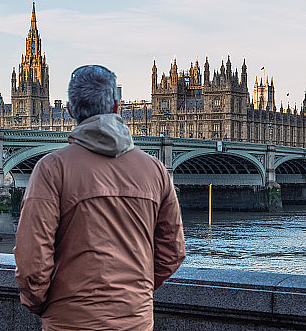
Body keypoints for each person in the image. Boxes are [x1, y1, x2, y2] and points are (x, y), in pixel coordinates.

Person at [15, 64, 185, 330]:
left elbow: (32, 257)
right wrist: (133, 291)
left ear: (70, 111)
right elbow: (173, 251)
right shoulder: (155, 170)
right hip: (135, 320)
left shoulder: (52, 169)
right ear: (117, 107)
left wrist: (41, 303)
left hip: (70, 322)